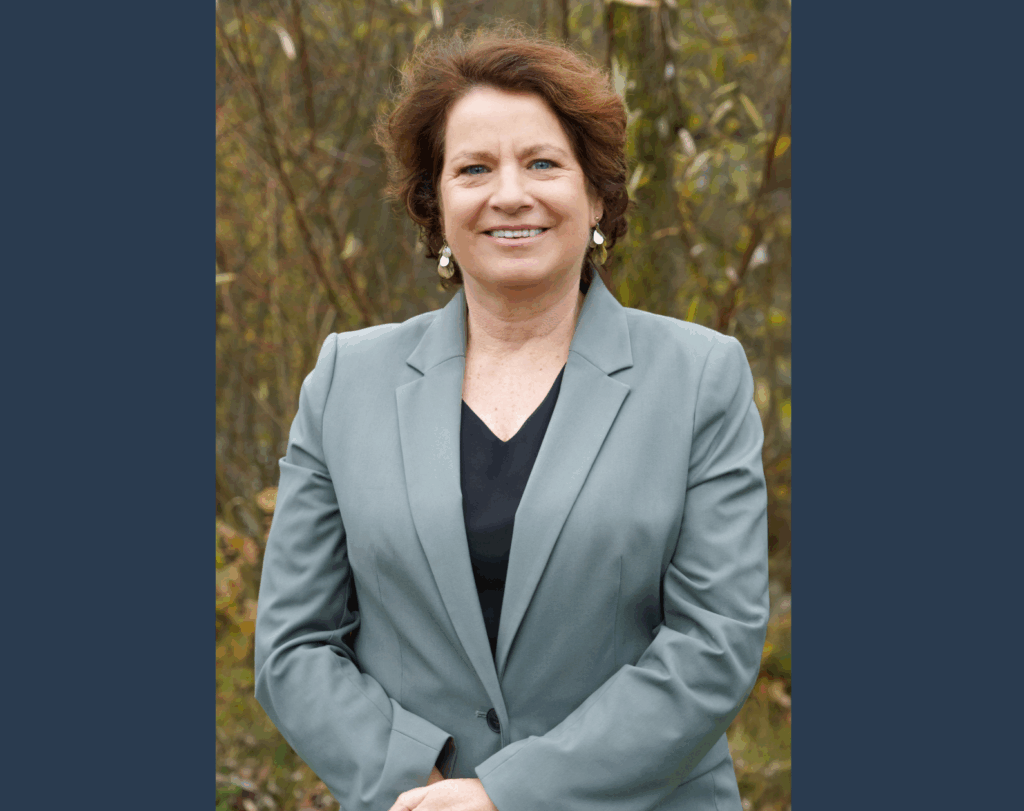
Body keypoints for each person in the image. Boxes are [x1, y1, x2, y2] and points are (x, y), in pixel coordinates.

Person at [254, 24, 769, 811]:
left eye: (542, 163)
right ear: (435, 205)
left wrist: (506, 794)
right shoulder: (344, 380)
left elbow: (715, 643)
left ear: (596, 195)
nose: (509, 193)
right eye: (473, 168)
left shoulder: (701, 377)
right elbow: (293, 645)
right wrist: (423, 785)